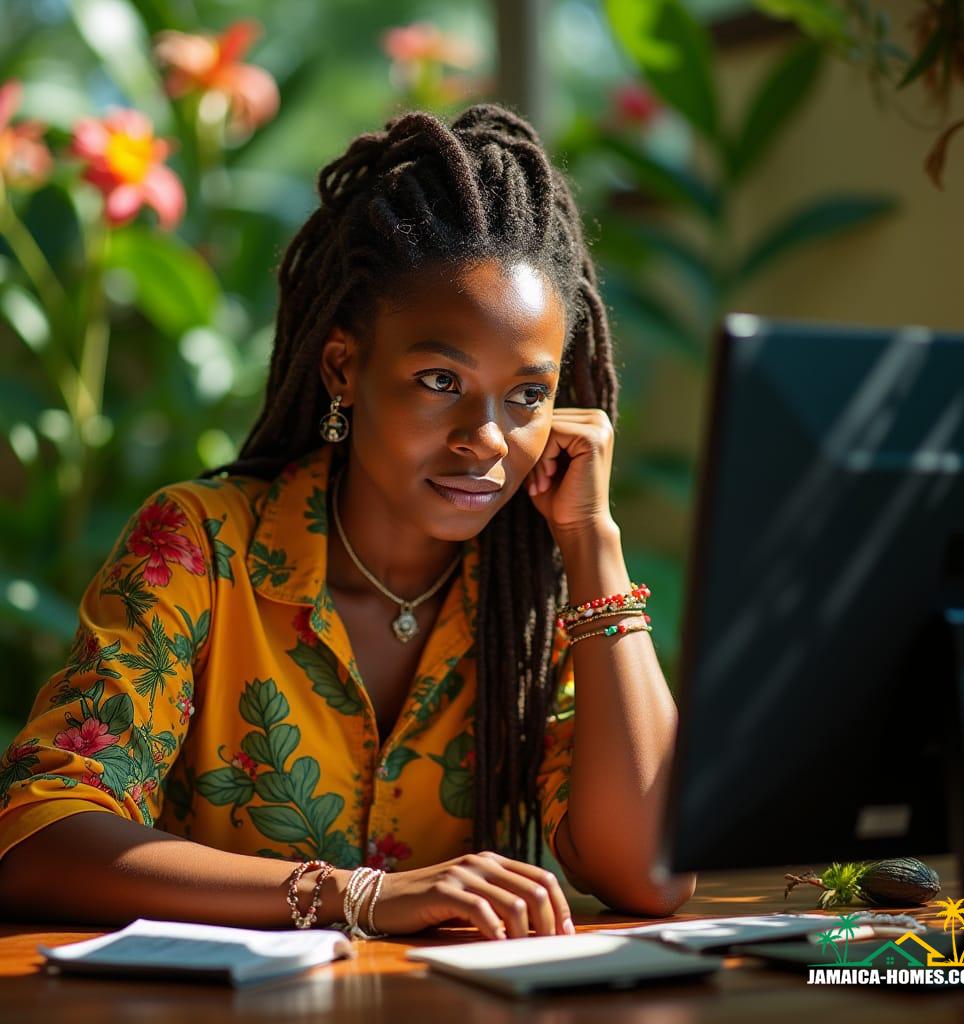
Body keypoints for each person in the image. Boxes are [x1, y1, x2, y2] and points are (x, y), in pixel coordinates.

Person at [0, 103, 694, 940]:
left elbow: (651, 875)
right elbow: (36, 838)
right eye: (440, 380)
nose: (487, 441)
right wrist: (353, 895)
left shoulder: (535, 603)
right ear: (343, 368)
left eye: (527, 396)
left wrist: (593, 544)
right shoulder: (197, 548)